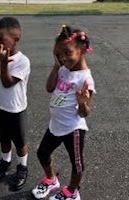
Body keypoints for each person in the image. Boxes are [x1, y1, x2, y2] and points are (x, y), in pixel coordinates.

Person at [32, 25, 95, 200]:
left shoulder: (85, 79)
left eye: (67, 52)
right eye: (59, 53)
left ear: (82, 50)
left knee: (77, 163)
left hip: (72, 128)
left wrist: (83, 104)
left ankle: (73, 190)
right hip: (56, 124)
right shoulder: (62, 69)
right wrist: (56, 65)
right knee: (42, 153)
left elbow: (84, 114)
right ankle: (52, 179)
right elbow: (49, 87)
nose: (63, 58)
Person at [0, 17, 30, 191]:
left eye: (1, 39)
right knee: (3, 139)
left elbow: (6, 82)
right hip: (0, 106)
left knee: (20, 143)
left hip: (16, 110)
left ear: (16, 39)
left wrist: (4, 62)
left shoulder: (23, 61)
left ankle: (22, 166)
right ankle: (5, 161)